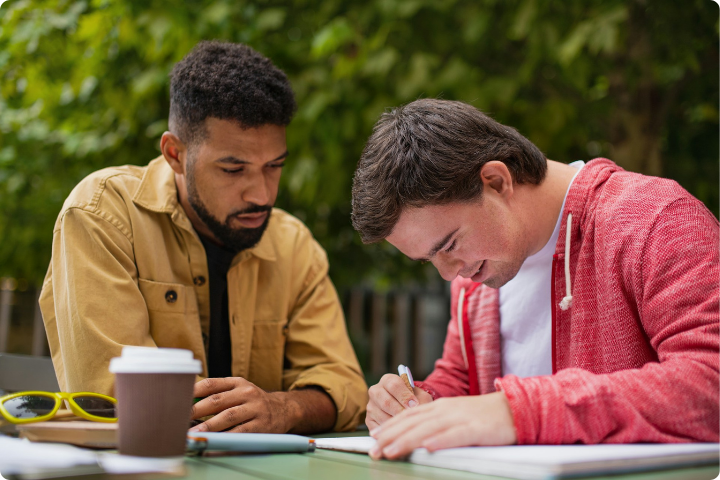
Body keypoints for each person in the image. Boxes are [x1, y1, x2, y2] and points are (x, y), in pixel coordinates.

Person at [351, 98, 720, 459]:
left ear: (496, 181)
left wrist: (518, 412)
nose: (449, 274)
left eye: (448, 244)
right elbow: (463, 383)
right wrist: (418, 405)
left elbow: (710, 382)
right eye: (428, 259)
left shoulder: (656, 220)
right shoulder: (479, 269)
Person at [39, 41, 367, 434]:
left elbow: (345, 387)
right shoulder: (100, 215)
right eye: (233, 169)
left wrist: (284, 407)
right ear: (174, 154)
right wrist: (243, 413)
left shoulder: (293, 245)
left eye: (274, 166)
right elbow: (109, 395)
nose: (261, 194)